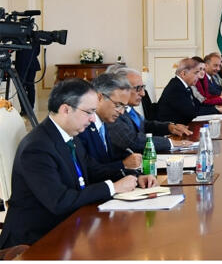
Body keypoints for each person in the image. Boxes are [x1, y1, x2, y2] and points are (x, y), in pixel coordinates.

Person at [0, 79, 155, 249]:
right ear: (66, 109)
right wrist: (113, 187)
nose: (92, 119)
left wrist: (134, 177)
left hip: (68, 229)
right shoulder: (37, 148)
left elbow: (93, 170)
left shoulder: (69, 135)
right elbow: (60, 201)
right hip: (34, 241)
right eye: (89, 112)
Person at [105, 66, 193, 158]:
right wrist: (171, 143)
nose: (143, 94)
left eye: (143, 87)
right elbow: (133, 142)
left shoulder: (128, 107)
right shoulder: (114, 112)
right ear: (120, 88)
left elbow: (145, 125)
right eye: (138, 88)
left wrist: (169, 127)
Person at [75, 73, 141, 171]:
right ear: (99, 98)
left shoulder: (103, 122)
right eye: (118, 105)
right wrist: (123, 165)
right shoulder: (82, 127)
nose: (122, 112)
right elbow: (88, 170)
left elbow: (109, 158)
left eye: (124, 107)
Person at [157, 58, 222, 123]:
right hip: (172, 128)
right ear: (184, 73)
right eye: (196, 73)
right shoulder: (176, 88)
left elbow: (198, 105)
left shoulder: (185, 85)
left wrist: (218, 107)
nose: (198, 76)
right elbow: (192, 112)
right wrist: (216, 109)